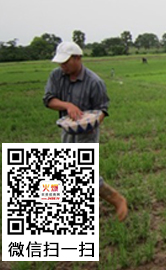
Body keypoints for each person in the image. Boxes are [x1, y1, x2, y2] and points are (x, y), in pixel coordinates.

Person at [43, 41, 128, 221]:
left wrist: (88, 122)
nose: (62, 66)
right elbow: (48, 99)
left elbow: (102, 109)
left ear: (78, 58)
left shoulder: (94, 82)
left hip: (87, 134)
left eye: (66, 62)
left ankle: (117, 200)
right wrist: (67, 105)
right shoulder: (56, 76)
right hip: (67, 130)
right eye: (61, 62)